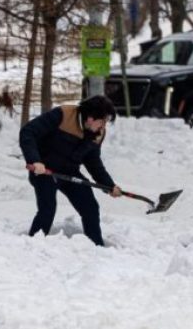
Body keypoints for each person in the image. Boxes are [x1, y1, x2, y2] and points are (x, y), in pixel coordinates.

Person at [18, 95, 121, 247]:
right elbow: (28, 132)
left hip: (68, 173)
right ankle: (32, 245)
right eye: (102, 121)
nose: (103, 126)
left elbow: (93, 162)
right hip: (44, 170)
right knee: (48, 208)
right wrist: (35, 160)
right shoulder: (63, 115)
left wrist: (109, 185)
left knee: (90, 207)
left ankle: (97, 247)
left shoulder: (97, 134)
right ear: (91, 118)